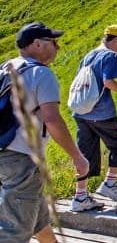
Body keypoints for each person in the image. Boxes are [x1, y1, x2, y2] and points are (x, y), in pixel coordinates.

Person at [0, 22, 91, 243]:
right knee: (14, 229)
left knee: (38, 219)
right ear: (37, 44)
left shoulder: (5, 67)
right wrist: (77, 157)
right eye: (53, 42)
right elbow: (52, 119)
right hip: (20, 157)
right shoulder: (41, 74)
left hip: (3, 154)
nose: (57, 48)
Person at [71, 24, 117, 211]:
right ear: (116, 39)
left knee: (85, 154)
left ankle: (80, 197)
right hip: (101, 113)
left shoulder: (89, 55)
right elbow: (108, 82)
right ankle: (109, 184)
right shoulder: (110, 56)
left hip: (81, 112)